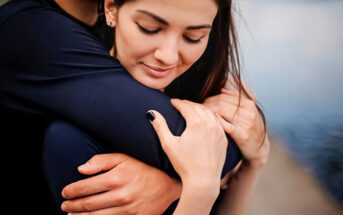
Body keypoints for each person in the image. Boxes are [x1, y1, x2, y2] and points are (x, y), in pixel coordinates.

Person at [0, 0, 269, 214]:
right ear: (111, 10)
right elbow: (213, 146)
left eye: (194, 37)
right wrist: (191, 188)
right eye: (148, 27)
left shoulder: (123, 41)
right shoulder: (30, 30)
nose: (167, 55)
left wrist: (252, 163)